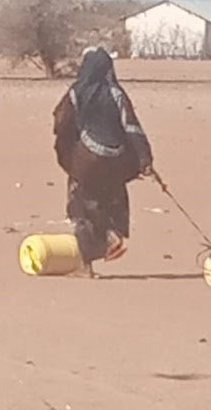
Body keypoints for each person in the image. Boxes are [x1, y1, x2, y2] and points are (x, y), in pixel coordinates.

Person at [52, 47, 153, 278]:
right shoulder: (117, 93)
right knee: (112, 197)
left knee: (82, 207)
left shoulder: (77, 92)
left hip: (86, 162)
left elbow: (61, 122)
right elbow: (132, 127)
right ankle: (114, 231)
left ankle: (88, 263)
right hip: (116, 162)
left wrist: (69, 150)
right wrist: (145, 158)